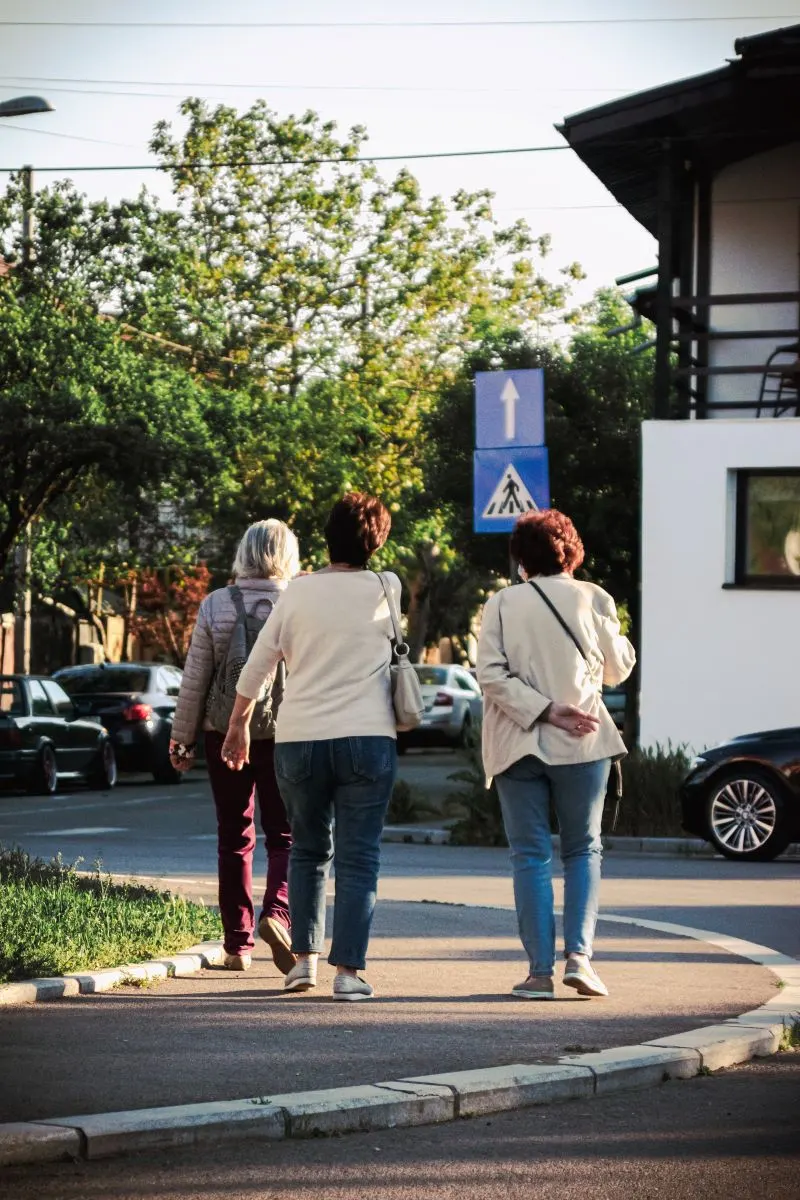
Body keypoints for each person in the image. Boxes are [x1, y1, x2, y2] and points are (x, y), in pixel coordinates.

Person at [222, 492, 399, 1001]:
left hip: (299, 740)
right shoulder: (387, 587)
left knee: (306, 850)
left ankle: (303, 963)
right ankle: (348, 973)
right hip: (367, 737)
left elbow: (259, 662)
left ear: (326, 538)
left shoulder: (297, 592)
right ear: (377, 542)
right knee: (359, 857)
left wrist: (238, 724)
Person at [477, 509, 635, 1001]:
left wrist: (544, 711)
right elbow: (618, 669)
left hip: (517, 742)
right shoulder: (594, 597)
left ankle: (539, 974)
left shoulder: (501, 604)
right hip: (584, 741)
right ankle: (580, 960)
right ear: (571, 552)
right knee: (583, 849)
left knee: (529, 855)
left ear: (521, 558)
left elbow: (490, 675)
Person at [168, 520, 299, 974]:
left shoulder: (216, 604)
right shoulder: (298, 602)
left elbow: (195, 680)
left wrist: (181, 739)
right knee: (285, 834)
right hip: (286, 734)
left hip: (223, 733)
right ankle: (277, 912)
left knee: (234, 836)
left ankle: (237, 945)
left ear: (244, 552)